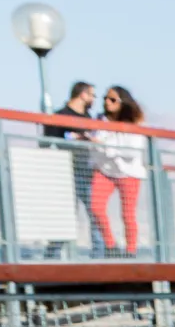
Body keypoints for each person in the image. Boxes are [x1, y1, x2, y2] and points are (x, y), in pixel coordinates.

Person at [87, 85, 149, 255]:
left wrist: (108, 148)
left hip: (128, 172)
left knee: (128, 214)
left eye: (112, 99)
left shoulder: (135, 124)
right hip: (104, 170)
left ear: (123, 102)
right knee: (96, 207)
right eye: (105, 99)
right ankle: (111, 246)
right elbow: (95, 145)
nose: (107, 102)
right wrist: (105, 148)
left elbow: (132, 151)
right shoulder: (100, 121)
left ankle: (131, 250)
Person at [42, 82, 100, 253]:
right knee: (65, 217)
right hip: (64, 173)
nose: (93, 100)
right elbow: (47, 143)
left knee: (96, 212)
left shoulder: (89, 118)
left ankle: (99, 254)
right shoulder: (60, 116)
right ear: (83, 95)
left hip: (87, 171)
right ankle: (52, 254)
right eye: (92, 95)